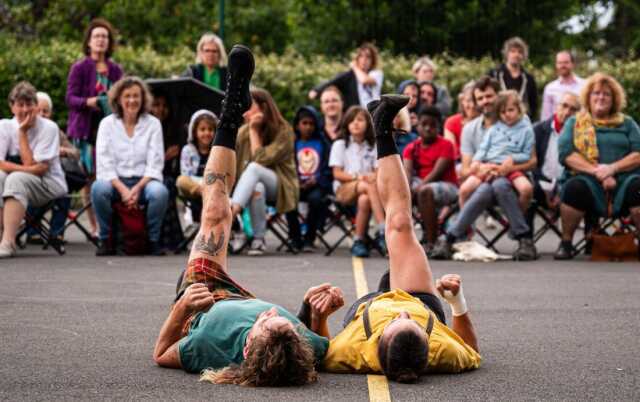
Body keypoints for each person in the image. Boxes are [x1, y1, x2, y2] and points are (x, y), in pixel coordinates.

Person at [153, 46, 345, 387]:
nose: (270, 312)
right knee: (222, 209)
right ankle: (232, 115)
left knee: (216, 213)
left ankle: (229, 112)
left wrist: (181, 309)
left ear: (251, 345)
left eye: (268, 322)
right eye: (280, 322)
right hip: (237, 298)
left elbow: (161, 353)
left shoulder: (207, 344)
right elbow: (324, 345)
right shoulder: (299, 346)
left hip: (202, 302)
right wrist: (315, 312)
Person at [323, 95, 481, 382]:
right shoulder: (442, 352)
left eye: (397, 323)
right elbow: (471, 351)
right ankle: (382, 126)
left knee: (395, 235)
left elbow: (314, 350)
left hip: (370, 307)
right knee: (399, 223)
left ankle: (381, 125)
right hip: (419, 298)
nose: (403, 315)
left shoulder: (349, 352)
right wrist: (457, 302)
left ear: (378, 344)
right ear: (429, 344)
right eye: (414, 326)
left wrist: (317, 315)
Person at [430, 79, 538, 261]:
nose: (485, 101)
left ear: (498, 96)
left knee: (499, 185)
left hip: (512, 178)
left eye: (489, 96)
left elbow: (533, 160)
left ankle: (449, 238)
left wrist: (509, 167)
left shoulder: (520, 121)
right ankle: (524, 238)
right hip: (485, 179)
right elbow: (465, 169)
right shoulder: (470, 129)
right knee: (487, 188)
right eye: (480, 98)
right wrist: (481, 168)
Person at [554, 73, 640, 259]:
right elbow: (566, 154)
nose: (601, 97)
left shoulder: (627, 123)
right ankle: (566, 242)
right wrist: (599, 172)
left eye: (606, 94)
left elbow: (638, 154)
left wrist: (613, 169)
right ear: (588, 97)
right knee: (573, 188)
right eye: (596, 93)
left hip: (625, 180)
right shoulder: (574, 122)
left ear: (614, 99)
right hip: (588, 179)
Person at [91, 76, 169, 256]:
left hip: (144, 182)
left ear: (143, 99)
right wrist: (123, 190)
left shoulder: (153, 124)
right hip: (114, 182)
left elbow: (155, 162)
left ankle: (152, 240)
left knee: (159, 192)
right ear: (118, 99)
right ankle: (105, 239)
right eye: (127, 96)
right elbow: (104, 162)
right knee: (98, 189)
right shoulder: (107, 124)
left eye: (136, 96)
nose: (132, 100)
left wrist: (136, 188)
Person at [66, 18, 123, 240]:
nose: (100, 40)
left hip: (111, 131)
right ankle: (94, 226)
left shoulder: (116, 69)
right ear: (89, 42)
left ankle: (109, 225)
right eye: (96, 36)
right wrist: (89, 102)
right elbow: (70, 98)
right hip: (85, 131)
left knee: (108, 176)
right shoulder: (79, 67)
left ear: (109, 43)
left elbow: (123, 96)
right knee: (89, 179)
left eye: (104, 37)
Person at [0, 82, 68, 258]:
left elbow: (40, 169)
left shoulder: (49, 128)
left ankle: (9, 241)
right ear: (12, 107)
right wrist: (24, 168)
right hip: (21, 178)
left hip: (49, 183)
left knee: (15, 179)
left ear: (37, 106)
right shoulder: (4, 126)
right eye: (20, 105)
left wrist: (22, 133)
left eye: (29, 104)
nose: (24, 110)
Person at [229, 88, 299, 256]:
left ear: (264, 108)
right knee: (257, 187)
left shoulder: (284, 131)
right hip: (251, 188)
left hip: (282, 187)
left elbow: (260, 160)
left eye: (249, 106)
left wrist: (254, 131)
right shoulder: (242, 132)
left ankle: (230, 215)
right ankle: (258, 239)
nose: (244, 111)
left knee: (254, 168)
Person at [462, 90, 535, 212]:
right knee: (464, 190)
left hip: (510, 167)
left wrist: (513, 158)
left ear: (519, 110)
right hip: (489, 165)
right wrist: (476, 161)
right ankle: (466, 229)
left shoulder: (526, 130)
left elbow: (527, 155)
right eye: (502, 112)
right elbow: (483, 148)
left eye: (510, 110)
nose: (506, 114)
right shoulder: (494, 129)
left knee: (527, 189)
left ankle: (517, 218)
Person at [25, 92, 81, 245]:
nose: (42, 114)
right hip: (34, 175)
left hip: (54, 177)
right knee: (31, 186)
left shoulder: (56, 131)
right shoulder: (27, 130)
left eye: (46, 111)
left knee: (63, 193)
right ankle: (32, 232)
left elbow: (76, 153)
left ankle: (56, 233)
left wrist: (62, 151)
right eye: (39, 110)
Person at [329, 106, 386, 258]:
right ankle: (383, 229)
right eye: (352, 120)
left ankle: (359, 241)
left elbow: (378, 171)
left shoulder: (373, 146)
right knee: (368, 186)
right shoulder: (340, 145)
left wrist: (373, 176)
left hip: (367, 189)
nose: (355, 123)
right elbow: (337, 174)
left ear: (368, 123)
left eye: (360, 120)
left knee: (364, 199)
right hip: (344, 189)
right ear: (346, 124)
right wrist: (359, 177)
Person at [403, 106, 458, 253]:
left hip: (448, 187)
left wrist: (417, 188)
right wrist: (406, 190)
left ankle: (431, 241)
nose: (428, 128)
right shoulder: (411, 148)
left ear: (439, 127)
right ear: (417, 125)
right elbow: (407, 172)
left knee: (425, 191)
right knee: (400, 191)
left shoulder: (446, 145)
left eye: (432, 125)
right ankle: (397, 240)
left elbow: (437, 173)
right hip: (420, 186)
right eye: (424, 124)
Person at [287, 106, 332, 252]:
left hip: (318, 185)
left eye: (311, 124)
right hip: (296, 185)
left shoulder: (323, 144)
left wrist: (317, 180)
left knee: (316, 200)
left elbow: (328, 168)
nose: (308, 127)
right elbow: (287, 167)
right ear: (297, 125)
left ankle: (309, 238)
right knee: (289, 199)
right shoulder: (292, 144)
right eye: (304, 123)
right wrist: (296, 182)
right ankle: (295, 238)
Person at [530, 92, 581, 212]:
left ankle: (592, 230)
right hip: (540, 184)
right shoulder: (537, 129)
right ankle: (525, 231)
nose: (567, 112)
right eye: (564, 106)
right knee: (528, 189)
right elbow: (531, 164)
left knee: (583, 188)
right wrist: (546, 190)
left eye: (573, 109)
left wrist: (560, 190)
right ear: (556, 106)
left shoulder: (581, 136)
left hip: (567, 186)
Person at [176, 110, 218, 226]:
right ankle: (205, 193)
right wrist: (201, 187)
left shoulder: (217, 151)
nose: (207, 133)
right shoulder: (187, 150)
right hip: (194, 187)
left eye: (210, 130)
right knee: (181, 180)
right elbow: (186, 173)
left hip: (213, 184)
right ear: (195, 132)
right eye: (202, 129)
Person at [309, 43, 383, 109]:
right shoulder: (350, 75)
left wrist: (354, 67)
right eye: (361, 56)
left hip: (373, 113)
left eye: (368, 57)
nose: (364, 60)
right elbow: (334, 81)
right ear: (358, 58)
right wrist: (317, 90)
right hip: (357, 113)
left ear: (373, 60)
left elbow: (364, 80)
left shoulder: (377, 74)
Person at [489, 37, 538, 119]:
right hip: (498, 120)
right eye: (513, 51)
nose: (516, 55)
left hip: (522, 122)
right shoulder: (494, 74)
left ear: (523, 55)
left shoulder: (529, 79)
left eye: (520, 52)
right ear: (507, 53)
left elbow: (533, 105)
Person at [541, 51, 585, 121]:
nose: (562, 66)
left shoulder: (584, 85)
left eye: (566, 62)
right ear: (556, 65)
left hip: (579, 127)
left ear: (572, 64)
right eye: (560, 63)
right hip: (557, 129)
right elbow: (546, 116)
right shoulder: (550, 88)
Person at [443, 81, 479, 160]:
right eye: (468, 100)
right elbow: (451, 151)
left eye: (475, 101)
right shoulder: (451, 122)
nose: (472, 105)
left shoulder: (487, 122)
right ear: (462, 101)